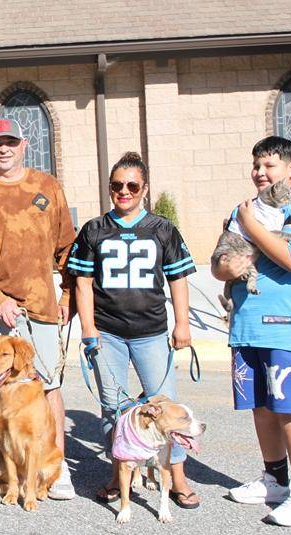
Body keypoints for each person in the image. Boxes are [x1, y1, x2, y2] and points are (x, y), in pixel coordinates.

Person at [67, 152, 199, 509]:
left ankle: (177, 477)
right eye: (117, 186)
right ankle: (118, 473)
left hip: (152, 332)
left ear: (144, 188)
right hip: (108, 333)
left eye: (132, 185)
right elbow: (82, 283)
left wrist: (182, 324)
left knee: (165, 407)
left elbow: (179, 280)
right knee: (112, 407)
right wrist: (89, 329)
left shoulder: (163, 229)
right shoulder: (94, 229)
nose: (123, 192)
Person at [0, 118, 77, 500]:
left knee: (48, 386)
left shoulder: (47, 187)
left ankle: (57, 464)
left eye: (9, 142)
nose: (3, 149)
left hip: (40, 305)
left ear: (24, 145)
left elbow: (66, 247)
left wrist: (67, 295)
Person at [212, 136, 291, 527]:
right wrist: (231, 261)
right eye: (257, 166)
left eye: (270, 166)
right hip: (246, 326)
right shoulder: (242, 210)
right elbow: (221, 264)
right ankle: (275, 480)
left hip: (286, 328)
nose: (260, 173)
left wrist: (249, 230)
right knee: (261, 407)